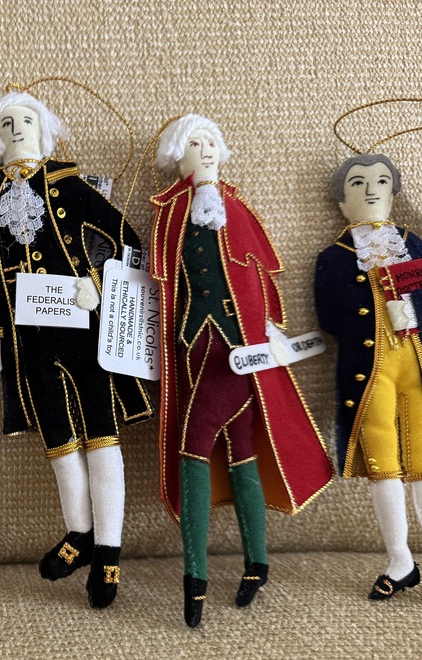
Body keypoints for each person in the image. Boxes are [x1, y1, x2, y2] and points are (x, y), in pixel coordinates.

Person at [150, 115, 333, 627]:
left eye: (211, 141)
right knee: (241, 448)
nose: (205, 149)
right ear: (178, 156)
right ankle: (256, 564)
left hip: (240, 351)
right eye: (194, 143)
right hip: (193, 347)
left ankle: (196, 579)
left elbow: (261, 275)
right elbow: (160, 285)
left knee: (194, 444)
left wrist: (271, 330)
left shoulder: (238, 206)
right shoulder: (168, 212)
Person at [0, 91, 152, 609]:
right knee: (56, 435)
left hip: (84, 330)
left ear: (45, 128)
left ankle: (109, 550)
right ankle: (80, 532)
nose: (17, 129)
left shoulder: (68, 184)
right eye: (7, 123)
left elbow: (125, 236)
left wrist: (98, 283)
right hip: (29, 338)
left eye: (26, 120)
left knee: (101, 431)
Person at [315, 153, 422, 605]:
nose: (370, 190)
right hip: (369, 376)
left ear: (393, 193)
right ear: (341, 201)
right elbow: (329, 319)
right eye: (358, 183)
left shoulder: (416, 247)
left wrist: (415, 306)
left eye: (381, 181)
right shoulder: (334, 258)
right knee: (382, 464)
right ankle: (400, 561)